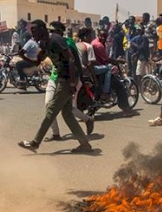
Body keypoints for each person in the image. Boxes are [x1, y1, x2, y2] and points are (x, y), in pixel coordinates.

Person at [18, 20, 93, 154]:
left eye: (34, 30)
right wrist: (23, 57)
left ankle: (35, 143)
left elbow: (70, 59)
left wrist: (72, 82)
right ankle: (84, 144)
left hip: (67, 79)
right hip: (60, 78)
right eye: (31, 31)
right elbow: (38, 61)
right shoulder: (44, 43)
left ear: (42, 29)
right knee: (67, 114)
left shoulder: (56, 40)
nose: (32, 33)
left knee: (51, 110)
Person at [43, 22, 94, 141]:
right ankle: (56, 133)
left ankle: (87, 119)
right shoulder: (50, 43)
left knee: (68, 109)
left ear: (61, 32)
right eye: (51, 32)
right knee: (48, 105)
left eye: (54, 31)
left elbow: (74, 61)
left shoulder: (69, 42)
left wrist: (76, 81)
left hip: (69, 79)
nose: (52, 34)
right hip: (54, 78)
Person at [90, 29, 117, 100]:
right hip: (94, 67)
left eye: (105, 36)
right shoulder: (98, 45)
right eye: (101, 36)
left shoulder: (95, 42)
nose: (103, 38)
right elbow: (107, 59)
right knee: (109, 68)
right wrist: (117, 61)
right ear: (98, 35)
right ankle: (106, 92)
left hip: (95, 65)